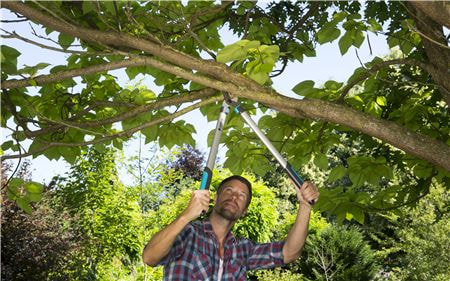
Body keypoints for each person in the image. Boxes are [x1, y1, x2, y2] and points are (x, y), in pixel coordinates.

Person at [142, 175, 320, 280]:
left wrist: (305, 206)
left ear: (244, 211)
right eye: (229, 191)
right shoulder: (188, 232)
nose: (234, 197)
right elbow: (150, 257)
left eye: (242, 195)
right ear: (216, 197)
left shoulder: (243, 248)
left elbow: (289, 252)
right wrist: (186, 215)